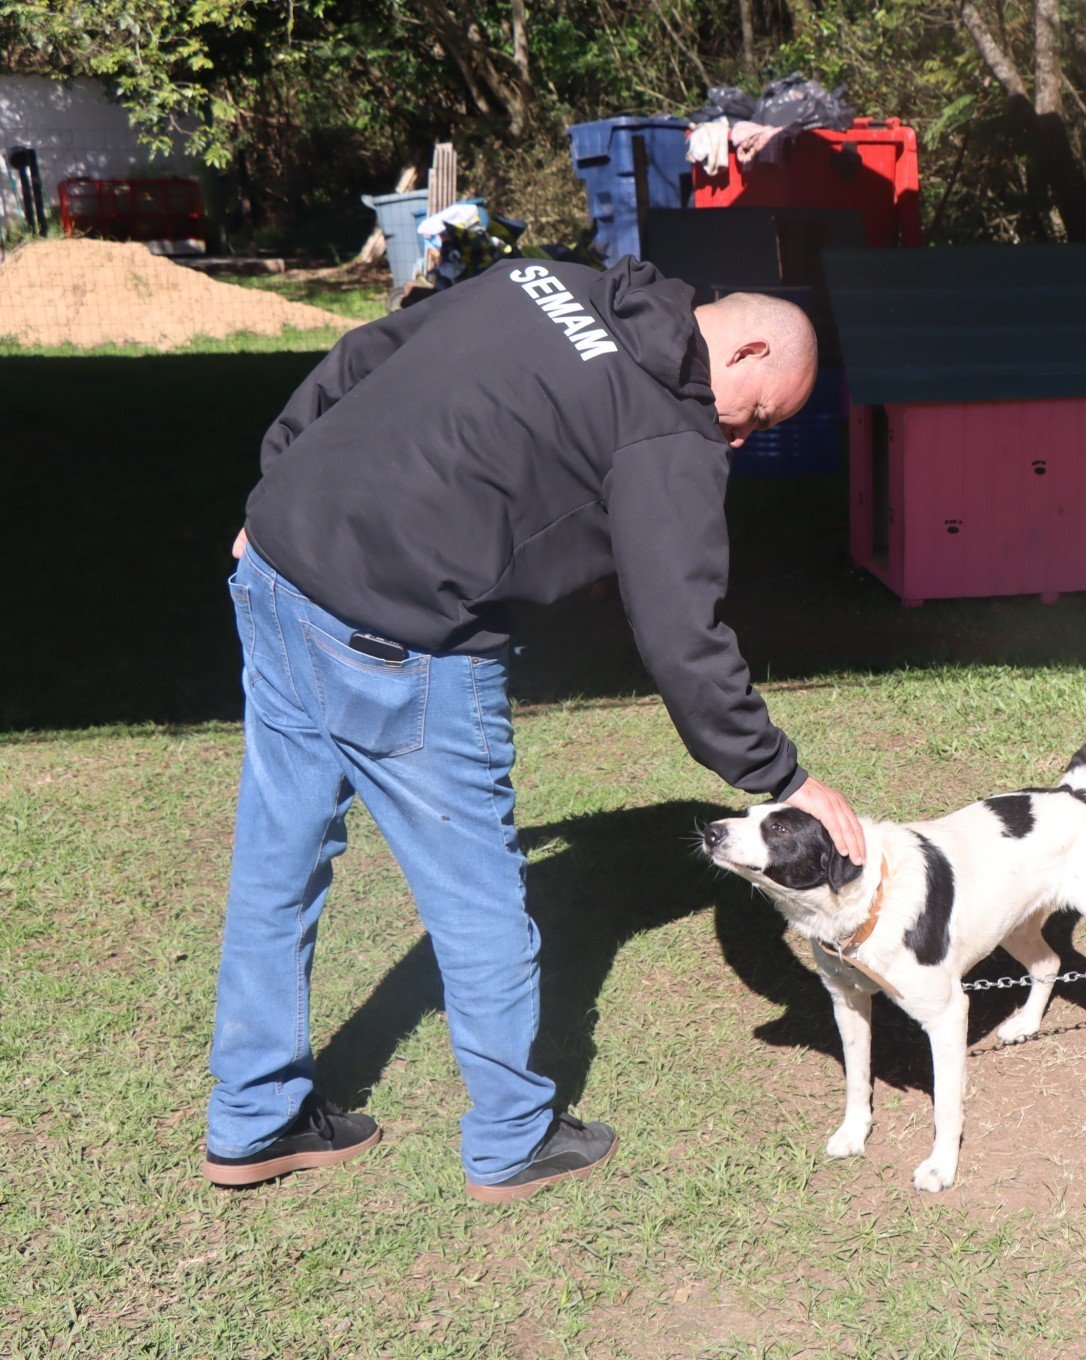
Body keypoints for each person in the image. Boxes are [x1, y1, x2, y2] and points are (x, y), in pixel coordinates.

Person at [201, 257, 864, 1202]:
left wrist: (280, 484)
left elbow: (364, 352)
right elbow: (683, 638)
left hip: (278, 572)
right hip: (407, 644)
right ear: (749, 346)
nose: (745, 441)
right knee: (476, 896)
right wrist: (782, 778)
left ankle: (253, 1120)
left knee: (277, 865)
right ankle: (513, 1135)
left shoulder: (546, 280)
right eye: (758, 415)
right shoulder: (667, 429)